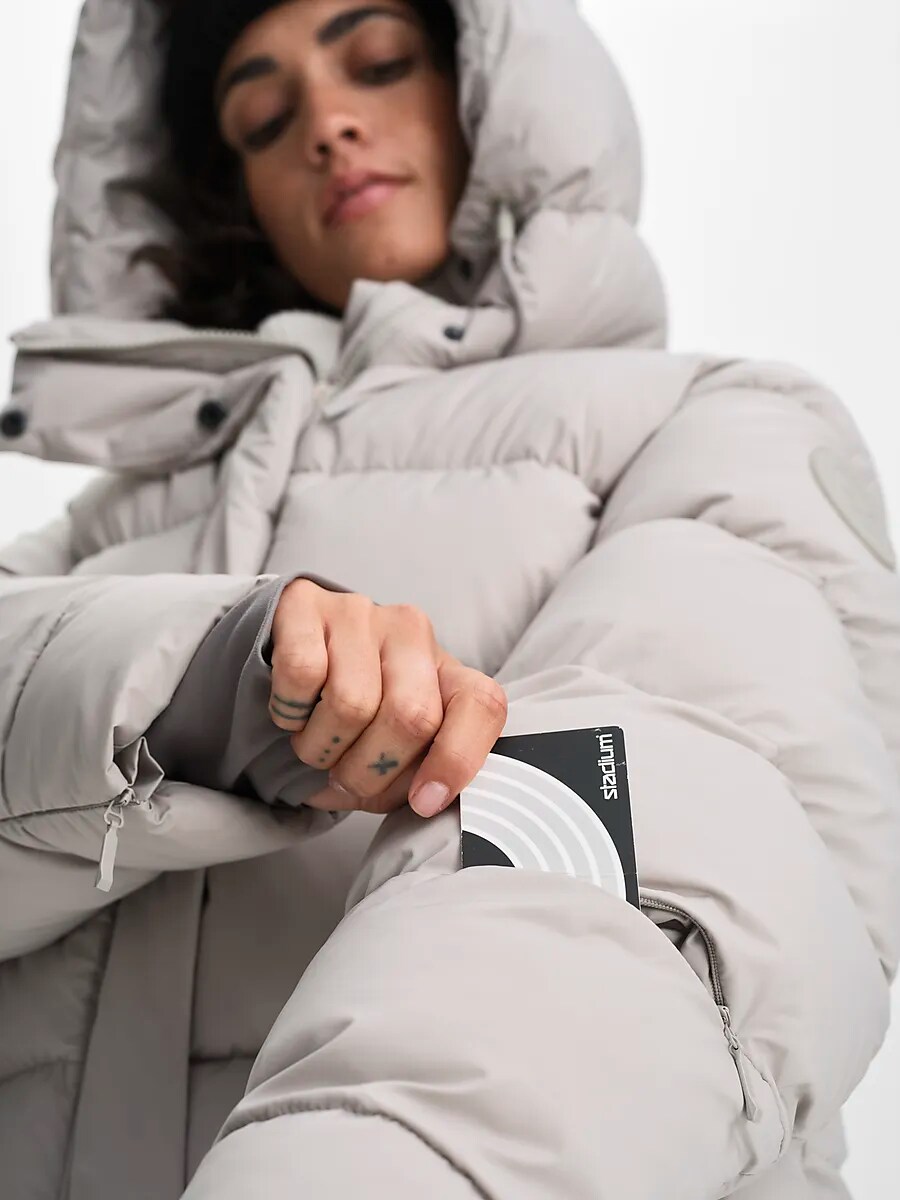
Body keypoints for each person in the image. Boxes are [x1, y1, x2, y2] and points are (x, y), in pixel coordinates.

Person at [0, 0, 898, 1196]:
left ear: (489, 89)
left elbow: (667, 828)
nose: (326, 125)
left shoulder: (709, 422)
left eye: (378, 62)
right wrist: (197, 682)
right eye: (263, 119)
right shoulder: (95, 531)